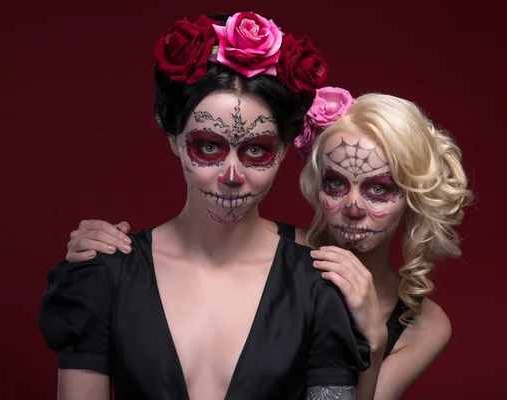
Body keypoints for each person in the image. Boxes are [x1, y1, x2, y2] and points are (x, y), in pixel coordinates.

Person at [38, 12, 370, 400]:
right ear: (174, 138)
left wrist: (375, 342)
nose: (231, 174)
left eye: (256, 150)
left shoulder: (320, 286)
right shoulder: (103, 274)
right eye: (208, 146)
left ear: (282, 150)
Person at [65, 87, 473, 399]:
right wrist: (103, 257)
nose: (352, 207)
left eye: (379, 188)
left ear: (415, 195)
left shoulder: (424, 324)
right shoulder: (282, 255)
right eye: (334, 183)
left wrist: (375, 340)